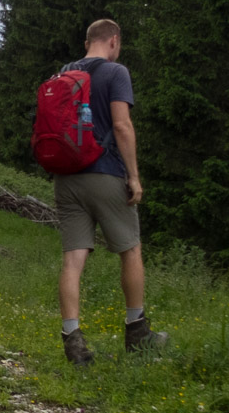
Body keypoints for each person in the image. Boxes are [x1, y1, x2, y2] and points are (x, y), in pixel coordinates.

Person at [53, 18, 166, 363]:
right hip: (105, 174)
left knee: (73, 259)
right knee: (130, 250)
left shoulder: (64, 74)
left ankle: (72, 338)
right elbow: (121, 124)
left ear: (89, 41)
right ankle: (137, 333)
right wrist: (133, 176)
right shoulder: (116, 73)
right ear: (114, 41)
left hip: (67, 178)